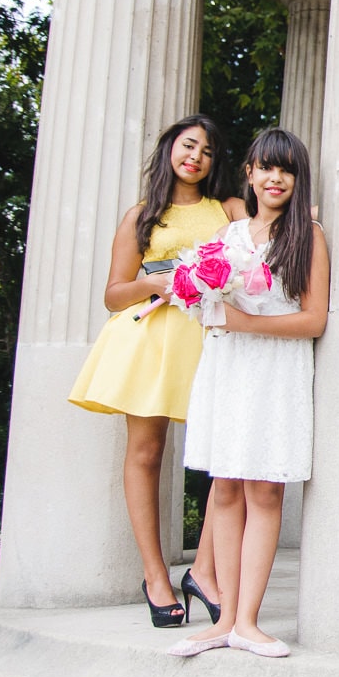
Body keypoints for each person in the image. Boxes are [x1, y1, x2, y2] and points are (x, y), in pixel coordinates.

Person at [68, 115, 245, 627]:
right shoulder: (141, 215)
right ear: (171, 148)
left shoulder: (228, 209)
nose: (197, 156)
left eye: (208, 151)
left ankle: (205, 570)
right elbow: (113, 294)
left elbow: (267, 235)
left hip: (209, 338)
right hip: (150, 338)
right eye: (189, 145)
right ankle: (155, 576)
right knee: (146, 453)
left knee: (227, 455)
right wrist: (159, 282)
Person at [166, 128, 330, 658]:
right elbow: (205, 308)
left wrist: (239, 320)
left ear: (297, 180)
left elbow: (313, 320)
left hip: (276, 372)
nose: (275, 177)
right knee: (226, 488)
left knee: (265, 491)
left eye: (287, 169)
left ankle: (250, 622)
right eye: (266, 167)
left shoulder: (307, 236)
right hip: (228, 368)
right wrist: (200, 304)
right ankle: (224, 620)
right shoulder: (227, 237)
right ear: (250, 173)